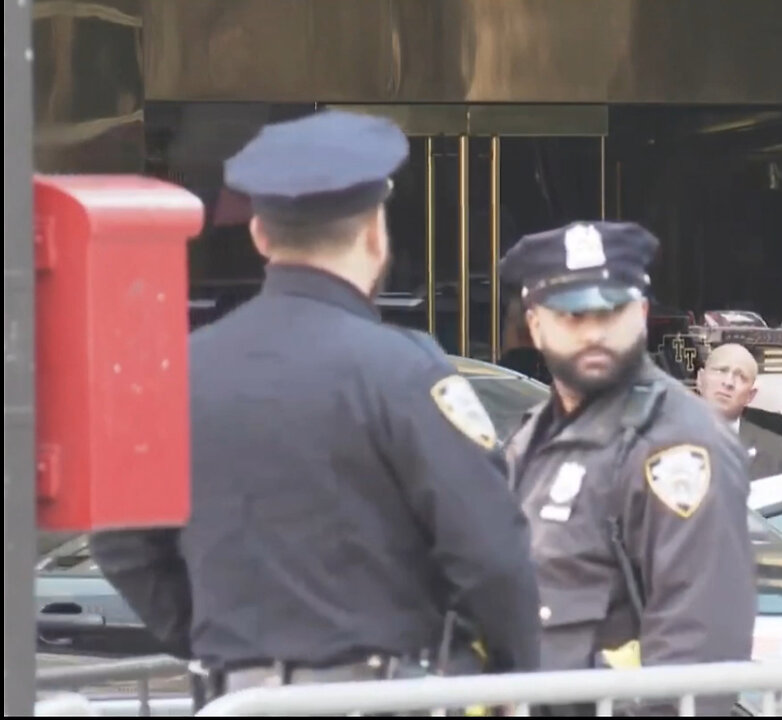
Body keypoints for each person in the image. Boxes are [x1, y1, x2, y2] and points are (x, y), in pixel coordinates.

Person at [89, 109, 542, 705]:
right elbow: (490, 552)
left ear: (259, 236)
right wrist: (520, 673)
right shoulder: (403, 369)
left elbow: (120, 537)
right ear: (376, 233)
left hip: (239, 697)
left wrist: (217, 635)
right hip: (385, 696)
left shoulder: (173, 372)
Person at [498, 220, 757, 716]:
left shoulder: (678, 442)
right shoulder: (535, 433)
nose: (593, 332)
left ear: (640, 313)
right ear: (536, 326)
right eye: (572, 317)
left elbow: (698, 650)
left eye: (610, 312)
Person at [695, 342, 782, 480]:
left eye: (741, 377)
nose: (728, 382)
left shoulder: (779, 452)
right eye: (721, 370)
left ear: (751, 395)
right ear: (700, 380)